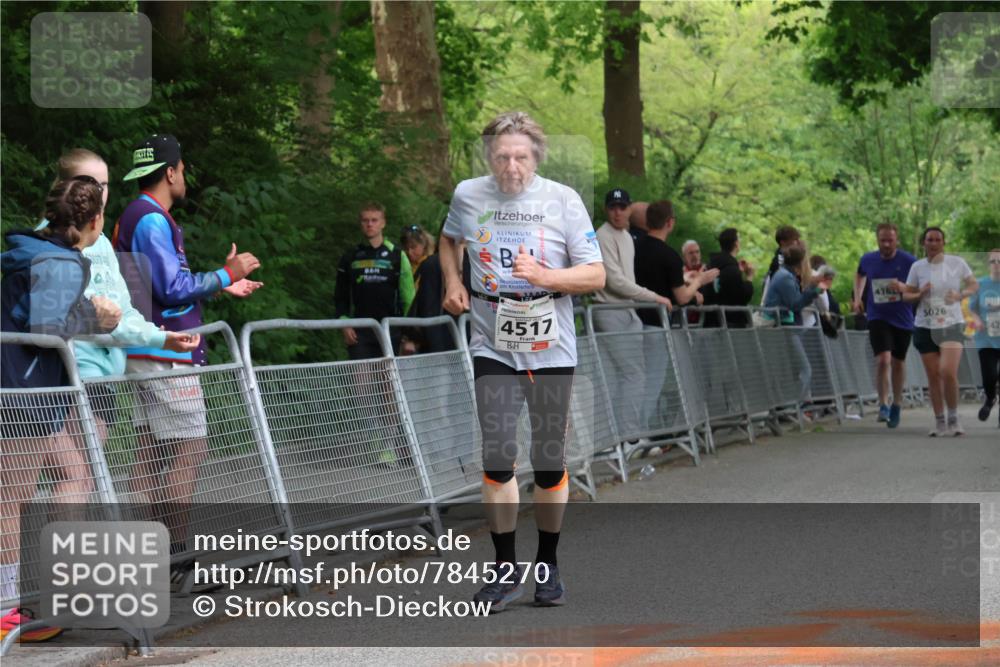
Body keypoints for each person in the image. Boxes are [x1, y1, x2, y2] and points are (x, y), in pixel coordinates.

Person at [439, 111, 605, 611]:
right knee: (497, 452)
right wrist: (452, 281)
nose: (511, 165)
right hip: (492, 339)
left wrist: (548, 277)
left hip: (550, 343)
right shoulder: (469, 194)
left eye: (520, 156)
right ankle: (504, 565)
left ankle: (548, 564)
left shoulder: (563, 200)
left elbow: (595, 275)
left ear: (536, 157)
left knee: (548, 459)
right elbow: (449, 240)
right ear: (489, 156)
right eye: (501, 155)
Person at [113, 134, 262, 562]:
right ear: (171, 172)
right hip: (168, 353)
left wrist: (220, 284)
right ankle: (179, 556)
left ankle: (149, 554)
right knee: (188, 450)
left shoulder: (135, 216)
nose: (184, 176)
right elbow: (171, 288)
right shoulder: (152, 219)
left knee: (151, 453)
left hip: (147, 349)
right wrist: (225, 271)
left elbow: (159, 289)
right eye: (182, 169)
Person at [2, 177, 122, 641]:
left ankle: (59, 596)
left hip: (25, 390)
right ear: (95, 221)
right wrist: (98, 316)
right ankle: (8, 610)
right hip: (23, 394)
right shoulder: (60, 262)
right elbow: (44, 327)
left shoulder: (38, 250)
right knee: (9, 499)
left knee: (68, 474)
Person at [40, 150, 201, 444]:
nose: (100, 193)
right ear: (63, 188)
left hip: (105, 376)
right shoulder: (49, 241)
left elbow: (121, 310)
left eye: (105, 185)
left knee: (81, 476)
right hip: (68, 373)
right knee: (75, 475)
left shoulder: (99, 241)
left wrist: (161, 337)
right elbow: (90, 318)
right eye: (90, 183)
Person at [593, 188, 671, 435]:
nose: (617, 212)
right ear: (607, 210)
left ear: (628, 209)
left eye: (622, 207)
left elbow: (626, 279)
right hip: (610, 310)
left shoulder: (626, 236)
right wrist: (654, 297)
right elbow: (614, 281)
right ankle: (629, 437)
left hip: (628, 312)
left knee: (626, 376)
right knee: (632, 375)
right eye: (613, 207)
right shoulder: (602, 235)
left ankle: (621, 435)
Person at [635, 200, 718, 425]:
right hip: (656, 323)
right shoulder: (669, 255)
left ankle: (630, 432)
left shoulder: (634, 247)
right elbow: (681, 296)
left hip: (631, 321)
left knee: (633, 379)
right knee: (653, 379)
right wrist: (699, 280)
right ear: (670, 223)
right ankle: (638, 433)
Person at [898, 227, 978, 436]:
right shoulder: (917, 267)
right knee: (933, 376)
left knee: (947, 372)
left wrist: (960, 295)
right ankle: (940, 422)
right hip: (925, 325)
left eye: (937, 240)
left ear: (944, 242)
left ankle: (954, 418)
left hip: (951, 324)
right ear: (924, 243)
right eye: (929, 240)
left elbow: (973, 285)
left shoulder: (957, 263)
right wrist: (920, 293)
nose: (933, 243)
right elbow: (906, 296)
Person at [852, 223, 917, 428]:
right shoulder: (868, 259)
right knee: (883, 359)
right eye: (883, 240)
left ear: (896, 240)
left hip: (903, 317)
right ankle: (883, 404)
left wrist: (903, 287)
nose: (886, 244)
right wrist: (858, 297)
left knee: (898, 362)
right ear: (877, 240)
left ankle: (897, 403)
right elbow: (860, 274)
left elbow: (919, 287)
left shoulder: (908, 261)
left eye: (890, 240)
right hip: (877, 316)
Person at [334, 203, 415, 359]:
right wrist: (344, 322)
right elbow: (340, 295)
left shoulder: (397, 255)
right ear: (360, 224)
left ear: (383, 223)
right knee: (362, 383)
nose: (370, 224)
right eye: (365, 220)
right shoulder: (350, 256)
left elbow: (409, 298)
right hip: (360, 330)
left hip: (391, 329)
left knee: (388, 382)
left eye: (374, 220)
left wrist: (409, 335)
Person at [764, 244, 833, 403]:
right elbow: (795, 303)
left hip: (788, 328)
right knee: (805, 370)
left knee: (795, 370)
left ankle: (790, 406)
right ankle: (792, 406)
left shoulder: (785, 275)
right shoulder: (785, 277)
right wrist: (814, 291)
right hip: (785, 329)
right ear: (801, 262)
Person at [399, 224, 450, 354]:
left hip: (423, 326)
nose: (409, 252)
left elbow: (425, 301)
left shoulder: (430, 265)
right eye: (407, 248)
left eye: (413, 247)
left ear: (424, 245)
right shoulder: (404, 264)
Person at [968, 249, 1000, 426]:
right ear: (989, 264)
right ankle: (990, 398)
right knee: (990, 375)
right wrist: (977, 320)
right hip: (986, 338)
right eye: (993, 261)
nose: (997, 265)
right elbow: (972, 308)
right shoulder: (980, 284)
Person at [705, 228, 754, 328]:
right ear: (736, 244)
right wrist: (749, 277)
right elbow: (741, 298)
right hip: (731, 325)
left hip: (712, 321)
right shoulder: (732, 269)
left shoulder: (712, 265)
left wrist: (738, 270)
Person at [760, 225, 802, 305]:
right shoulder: (780, 261)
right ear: (783, 242)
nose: (798, 242)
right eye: (795, 240)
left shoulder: (790, 259)